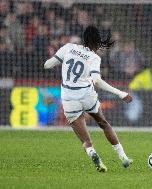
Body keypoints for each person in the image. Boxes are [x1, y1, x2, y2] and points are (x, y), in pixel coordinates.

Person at [43, 25, 133, 173]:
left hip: (69, 98)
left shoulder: (68, 47)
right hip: (86, 95)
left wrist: (56, 62)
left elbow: (47, 65)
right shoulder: (94, 57)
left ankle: (93, 154)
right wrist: (120, 93)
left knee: (86, 140)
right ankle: (123, 157)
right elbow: (97, 81)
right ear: (97, 42)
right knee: (103, 123)